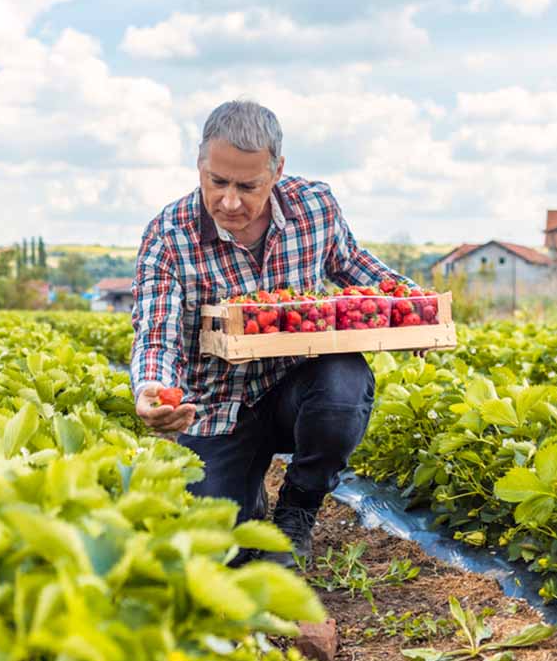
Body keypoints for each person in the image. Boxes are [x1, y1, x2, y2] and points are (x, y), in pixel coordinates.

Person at [130, 100, 414, 567]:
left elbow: (352, 266)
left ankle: (298, 506)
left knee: (344, 379)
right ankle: (245, 493)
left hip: (294, 391)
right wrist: (151, 389)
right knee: (223, 549)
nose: (230, 201)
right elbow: (157, 332)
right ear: (200, 165)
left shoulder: (315, 207)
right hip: (216, 408)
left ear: (277, 170)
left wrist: (412, 305)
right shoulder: (168, 234)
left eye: (248, 185)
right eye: (217, 182)